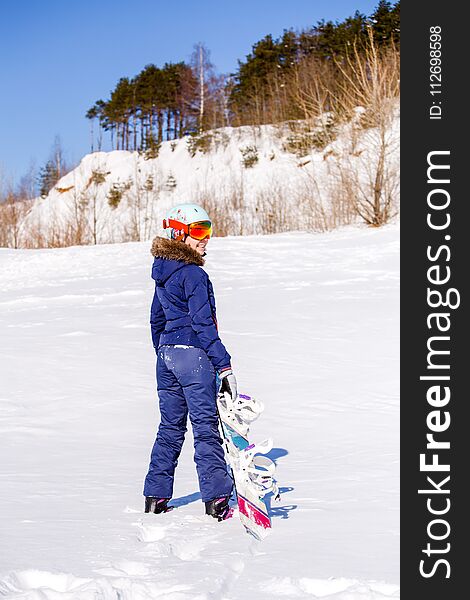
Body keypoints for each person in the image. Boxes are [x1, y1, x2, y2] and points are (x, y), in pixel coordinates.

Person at [143, 203, 237, 520]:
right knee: (205, 429)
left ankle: (155, 497)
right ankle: (217, 500)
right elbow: (203, 325)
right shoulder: (194, 274)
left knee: (169, 427)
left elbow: (156, 321)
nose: (205, 238)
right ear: (180, 234)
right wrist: (223, 365)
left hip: (166, 357)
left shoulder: (163, 271)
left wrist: (166, 351)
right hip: (194, 357)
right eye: (198, 231)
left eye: (208, 231)